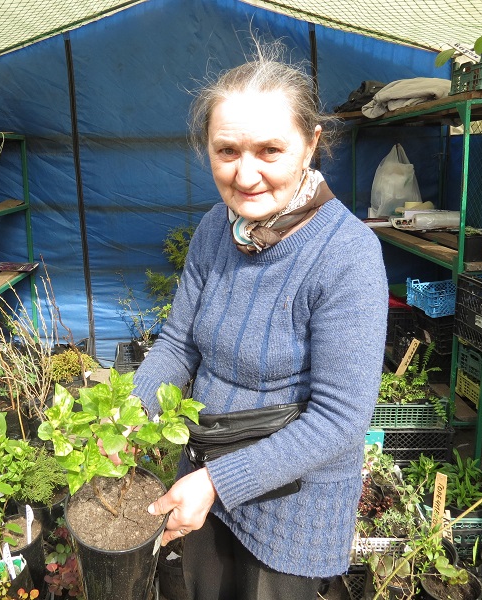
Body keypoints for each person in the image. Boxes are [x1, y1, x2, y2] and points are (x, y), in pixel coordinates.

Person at [131, 39, 388, 600]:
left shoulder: (347, 255)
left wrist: (219, 485)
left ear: (310, 144)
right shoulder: (212, 231)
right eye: (227, 151)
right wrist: (129, 416)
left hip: (291, 505)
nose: (246, 175)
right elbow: (178, 343)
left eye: (269, 150)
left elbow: (339, 419)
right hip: (202, 474)